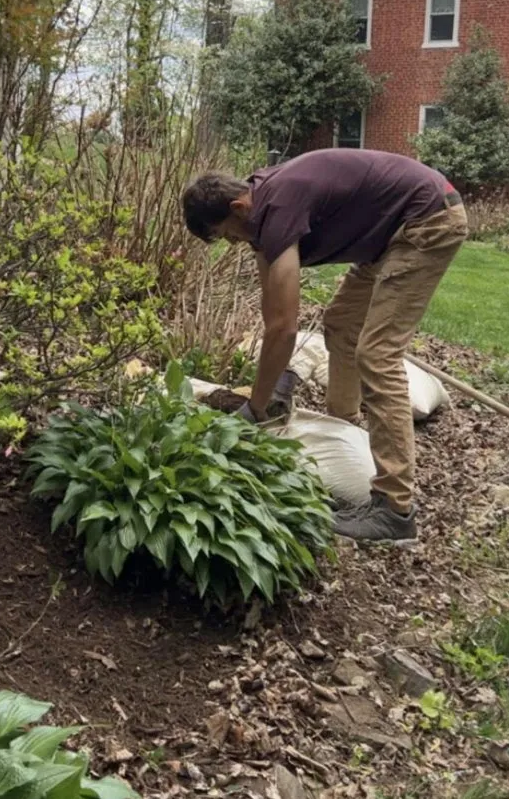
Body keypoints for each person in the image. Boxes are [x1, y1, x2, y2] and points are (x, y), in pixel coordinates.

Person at [181, 148, 468, 544]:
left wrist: (255, 410)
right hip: (387, 234)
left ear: (238, 206)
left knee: (378, 354)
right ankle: (344, 425)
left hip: (425, 220)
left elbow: (285, 328)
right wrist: (273, 385)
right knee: (341, 324)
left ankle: (395, 510)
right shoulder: (261, 209)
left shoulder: (278, 205)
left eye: (229, 235)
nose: (234, 244)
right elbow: (273, 312)